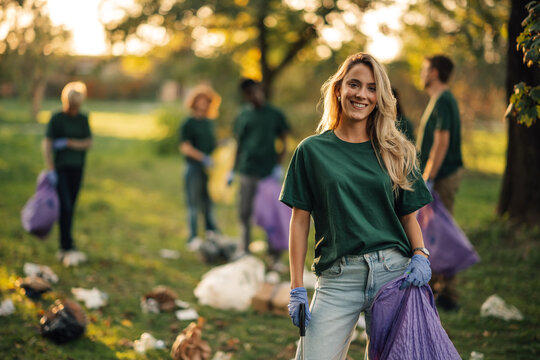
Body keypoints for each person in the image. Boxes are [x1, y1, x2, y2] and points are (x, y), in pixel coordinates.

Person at [280, 53, 433, 359]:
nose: (362, 94)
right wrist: (297, 286)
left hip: (394, 274)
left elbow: (408, 217)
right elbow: (299, 220)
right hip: (338, 277)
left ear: (380, 97)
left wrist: (420, 255)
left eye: (372, 88)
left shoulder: (396, 150)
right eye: (354, 84)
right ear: (338, 89)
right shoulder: (312, 151)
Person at [417, 55, 464, 310]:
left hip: (443, 175)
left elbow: (441, 142)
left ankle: (449, 293)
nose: (422, 73)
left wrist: (429, 178)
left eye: (425, 69)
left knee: (441, 232)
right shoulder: (438, 99)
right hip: (439, 175)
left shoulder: (444, 99)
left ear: (434, 73)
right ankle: (435, 286)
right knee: (432, 231)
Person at [229, 78, 290, 268]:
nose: (253, 96)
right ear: (245, 95)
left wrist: (278, 165)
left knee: (270, 215)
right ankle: (244, 251)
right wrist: (232, 170)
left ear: (260, 90)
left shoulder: (274, 114)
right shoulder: (243, 115)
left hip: (267, 173)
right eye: (248, 93)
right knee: (244, 212)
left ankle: (274, 256)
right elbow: (238, 144)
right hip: (247, 170)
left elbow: (284, 141)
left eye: (255, 91)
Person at [42, 81, 92, 267]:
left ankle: (67, 243)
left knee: (72, 205)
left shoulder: (83, 118)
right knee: (66, 206)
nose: (74, 109)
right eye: (72, 105)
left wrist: (70, 143)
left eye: (77, 106)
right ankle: (65, 245)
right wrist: (50, 167)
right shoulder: (56, 118)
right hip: (60, 168)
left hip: (77, 167)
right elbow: (47, 143)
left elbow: (88, 142)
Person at [179, 83, 221, 251]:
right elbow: (185, 147)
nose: (203, 104)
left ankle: (211, 232)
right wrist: (202, 157)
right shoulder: (188, 123)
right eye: (201, 100)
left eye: (207, 101)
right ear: (194, 102)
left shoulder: (210, 123)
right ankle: (193, 237)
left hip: (209, 170)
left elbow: (211, 144)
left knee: (208, 202)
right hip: (194, 168)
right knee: (193, 204)